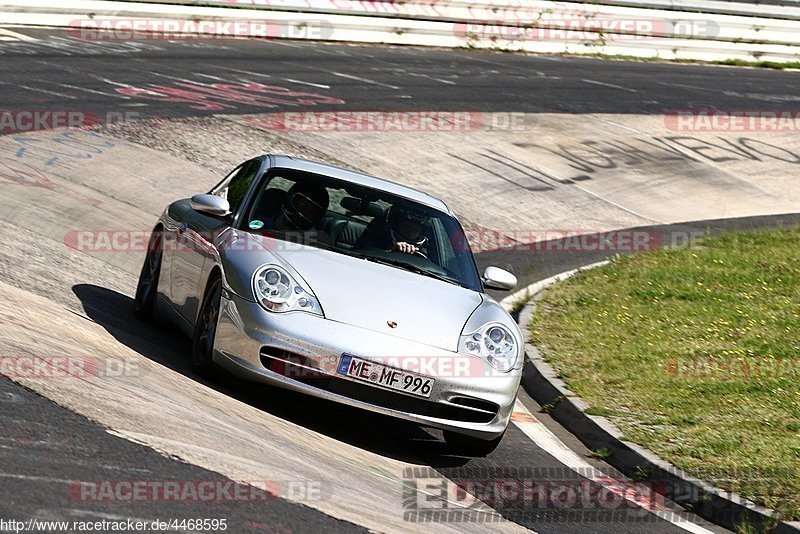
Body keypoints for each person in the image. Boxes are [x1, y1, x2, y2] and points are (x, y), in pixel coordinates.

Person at [355, 204, 429, 255]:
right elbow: (358, 252)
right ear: (395, 224)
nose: (410, 233)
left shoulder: (427, 252)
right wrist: (391, 252)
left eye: (415, 230)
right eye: (406, 227)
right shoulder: (374, 237)